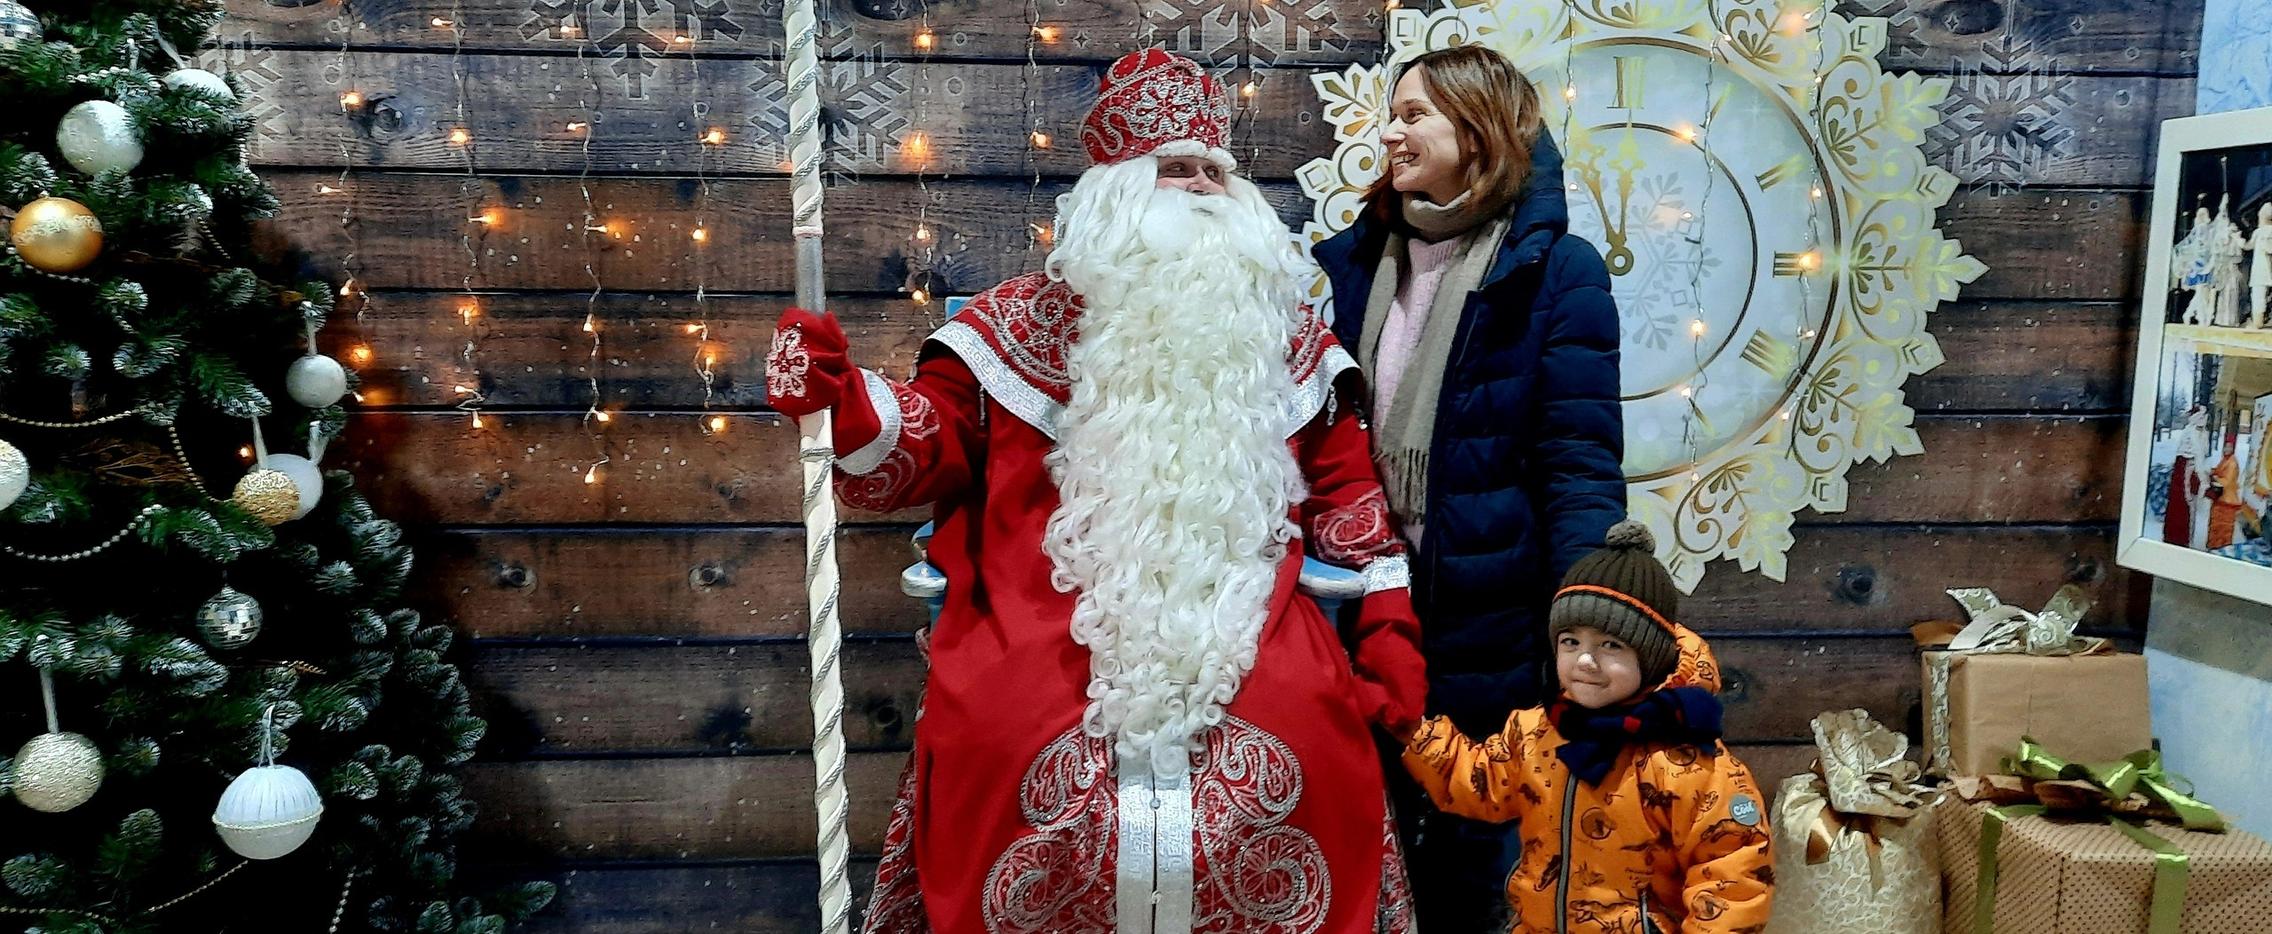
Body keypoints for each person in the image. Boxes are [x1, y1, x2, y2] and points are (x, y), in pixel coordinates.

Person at [768, 48, 1428, 933]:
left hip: (1250, 621)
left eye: (1212, 171)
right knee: (1007, 749)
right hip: (1044, 622)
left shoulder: (1286, 340)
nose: (1197, 188)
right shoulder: (1008, 327)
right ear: (1114, 193)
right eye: (1171, 170)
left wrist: (1388, 635)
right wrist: (841, 397)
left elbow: (1351, 502)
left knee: (1312, 742)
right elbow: (921, 451)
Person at [1310, 43, 1627, 927]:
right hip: (1357, 617)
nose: (1392, 131)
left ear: (1478, 129)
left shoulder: (1555, 273)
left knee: (1471, 874)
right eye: (1393, 113)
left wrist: (1589, 625)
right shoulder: (1353, 266)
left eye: (1415, 114)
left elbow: (1580, 463)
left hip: (1487, 628)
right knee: (1358, 862)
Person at [1402, 521, 1774, 933]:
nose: (1584, 661)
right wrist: (1414, 734)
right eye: (1570, 642)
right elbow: (1479, 781)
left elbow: (1732, 876)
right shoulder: (1536, 733)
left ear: (1649, 658)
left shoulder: (1690, 763)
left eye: (1610, 645)